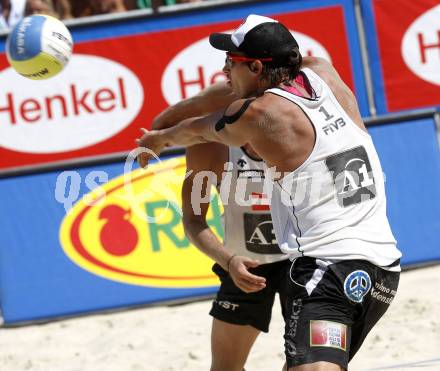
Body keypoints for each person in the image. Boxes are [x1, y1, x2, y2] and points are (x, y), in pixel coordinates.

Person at [137, 14, 402, 370]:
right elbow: (209, 105)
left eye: (232, 63)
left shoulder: (256, 114)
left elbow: (196, 127)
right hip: (378, 269)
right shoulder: (323, 73)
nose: (225, 70)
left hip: (325, 268)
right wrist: (228, 260)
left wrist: (158, 137)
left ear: (259, 66)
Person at [151, 82, 290, 371]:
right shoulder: (210, 149)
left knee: (308, 362)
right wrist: (228, 260)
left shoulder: (297, 133)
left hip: (302, 261)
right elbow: (193, 220)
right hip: (244, 265)